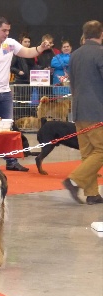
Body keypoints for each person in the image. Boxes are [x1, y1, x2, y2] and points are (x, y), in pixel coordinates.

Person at [0, 16, 52, 171]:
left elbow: (27, 52)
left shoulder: (10, 44)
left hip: (5, 93)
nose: (6, 33)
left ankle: (11, 161)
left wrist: (40, 48)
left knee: (8, 128)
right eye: (3, 30)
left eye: (8, 30)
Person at [62, 20, 103, 205]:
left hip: (78, 110)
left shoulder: (74, 55)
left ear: (85, 35)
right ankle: (74, 180)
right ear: (101, 34)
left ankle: (92, 194)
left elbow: (72, 83)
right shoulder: (100, 54)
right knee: (101, 150)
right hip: (96, 111)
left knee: (88, 153)